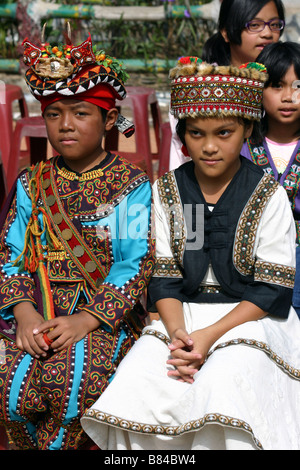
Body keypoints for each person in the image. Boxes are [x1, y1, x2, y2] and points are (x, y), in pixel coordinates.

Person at [81, 57, 300, 451]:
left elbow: (271, 291)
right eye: (197, 134)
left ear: (247, 129)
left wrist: (208, 337)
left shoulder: (269, 195)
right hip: (180, 317)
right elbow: (163, 278)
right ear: (183, 136)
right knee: (138, 380)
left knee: (226, 383)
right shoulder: (167, 191)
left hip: (253, 319)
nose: (210, 146)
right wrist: (180, 337)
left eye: (225, 132)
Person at [0, 32, 154, 450]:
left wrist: (85, 321)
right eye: (53, 114)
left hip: (102, 318)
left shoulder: (133, 186)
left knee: (69, 383)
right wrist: (26, 315)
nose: (65, 125)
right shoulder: (32, 182)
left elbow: (134, 263)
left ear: (108, 120)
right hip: (37, 312)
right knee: (10, 384)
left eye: (81, 113)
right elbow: (10, 257)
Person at [169, 0, 285, 172]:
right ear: (226, 32)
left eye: (275, 24)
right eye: (254, 25)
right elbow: (181, 150)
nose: (268, 33)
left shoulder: (290, 82)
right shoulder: (201, 85)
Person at [241, 41, 300, 318]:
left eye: (298, 86)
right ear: (259, 90)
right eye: (277, 85)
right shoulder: (240, 144)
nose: (289, 97)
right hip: (247, 259)